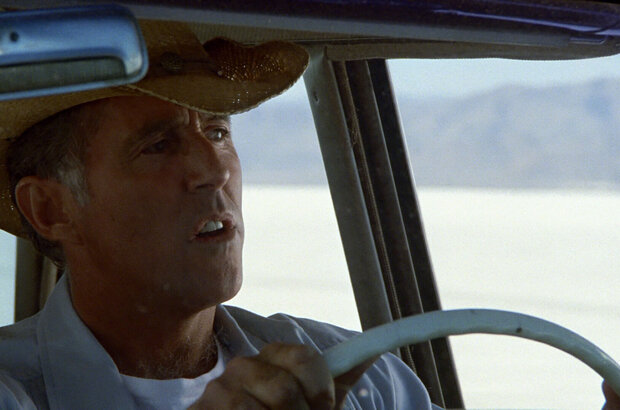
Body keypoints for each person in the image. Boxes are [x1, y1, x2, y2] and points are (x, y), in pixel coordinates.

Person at [0, 21, 434, 409]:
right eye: (158, 146)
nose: (215, 170)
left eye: (218, 132)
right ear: (51, 209)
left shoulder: (361, 377)